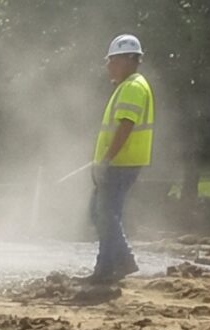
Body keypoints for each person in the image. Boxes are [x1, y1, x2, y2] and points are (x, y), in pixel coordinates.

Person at [91, 34, 155, 281]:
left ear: (129, 60)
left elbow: (126, 126)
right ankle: (109, 266)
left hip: (121, 163)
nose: (109, 66)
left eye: (113, 60)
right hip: (121, 162)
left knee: (105, 214)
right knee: (102, 213)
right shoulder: (129, 86)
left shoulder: (132, 88)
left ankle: (118, 263)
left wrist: (106, 159)